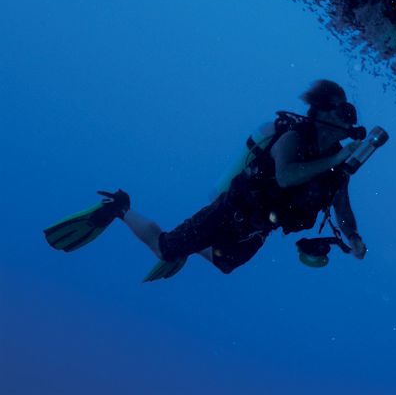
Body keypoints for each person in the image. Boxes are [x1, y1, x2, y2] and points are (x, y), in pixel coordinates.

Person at [44, 80, 375, 280]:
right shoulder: (293, 139)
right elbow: (286, 177)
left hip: (260, 227)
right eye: (341, 111)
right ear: (319, 112)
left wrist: (354, 235)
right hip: (231, 211)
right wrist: (335, 158)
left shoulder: (337, 164)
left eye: (350, 114)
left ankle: (197, 245)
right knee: (165, 249)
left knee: (226, 264)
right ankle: (120, 208)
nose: (347, 120)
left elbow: (340, 203)